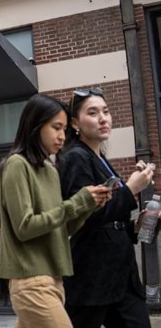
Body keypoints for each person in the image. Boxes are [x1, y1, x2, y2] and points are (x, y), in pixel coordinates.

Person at [0, 93, 111, 328]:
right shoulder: (17, 165)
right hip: (31, 282)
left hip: (54, 280)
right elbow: (25, 227)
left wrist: (88, 206)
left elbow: (60, 227)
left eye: (64, 130)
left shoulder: (50, 169)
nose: (62, 136)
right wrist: (75, 204)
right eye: (56, 128)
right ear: (35, 125)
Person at [58, 87, 155, 328]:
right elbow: (84, 217)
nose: (103, 118)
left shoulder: (100, 158)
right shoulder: (75, 157)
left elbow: (111, 217)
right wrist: (130, 189)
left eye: (106, 111)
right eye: (92, 112)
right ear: (75, 122)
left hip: (121, 273)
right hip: (93, 273)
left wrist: (137, 225)